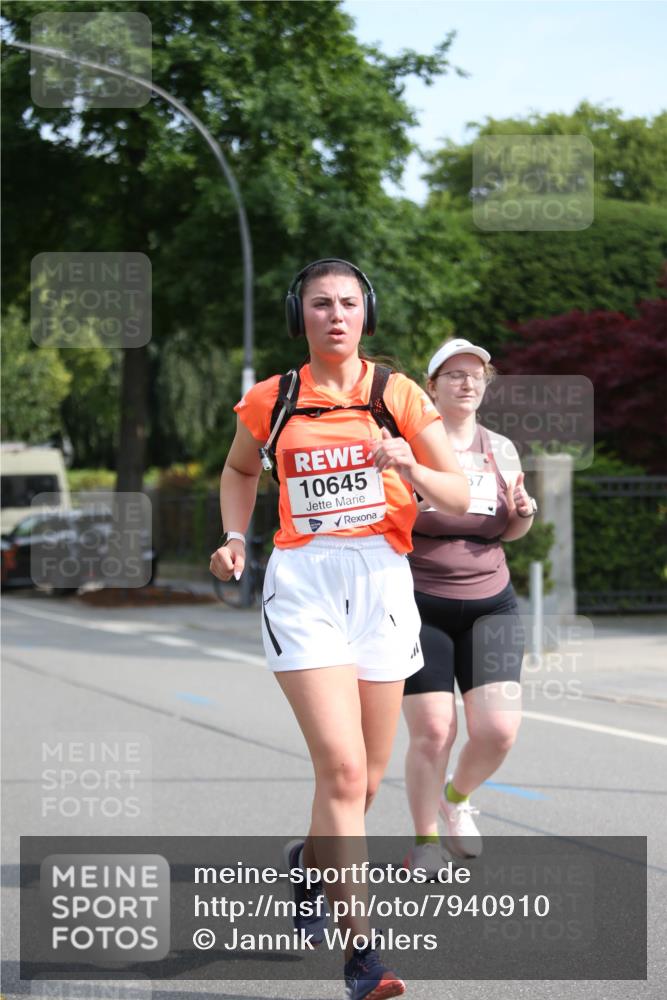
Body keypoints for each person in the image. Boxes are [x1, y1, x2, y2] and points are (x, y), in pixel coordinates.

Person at [209, 260, 469, 1000]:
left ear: (366, 313)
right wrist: (235, 535)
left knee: (368, 783)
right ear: (301, 314)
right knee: (343, 771)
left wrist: (409, 464)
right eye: (320, 303)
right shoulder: (274, 397)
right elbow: (238, 471)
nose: (334, 315)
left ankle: (307, 861)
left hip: (382, 581)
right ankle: (363, 958)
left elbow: (455, 488)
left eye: (347, 303)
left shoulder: (397, 395)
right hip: (304, 583)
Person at [402, 338, 536, 876]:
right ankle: (425, 840)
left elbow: (514, 528)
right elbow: (386, 518)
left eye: (476, 374)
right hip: (419, 603)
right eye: (453, 374)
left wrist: (524, 511)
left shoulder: (500, 449)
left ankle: (455, 799)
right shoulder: (409, 445)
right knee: (435, 731)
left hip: (491, 604)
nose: (467, 382)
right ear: (431, 386)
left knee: (499, 731)